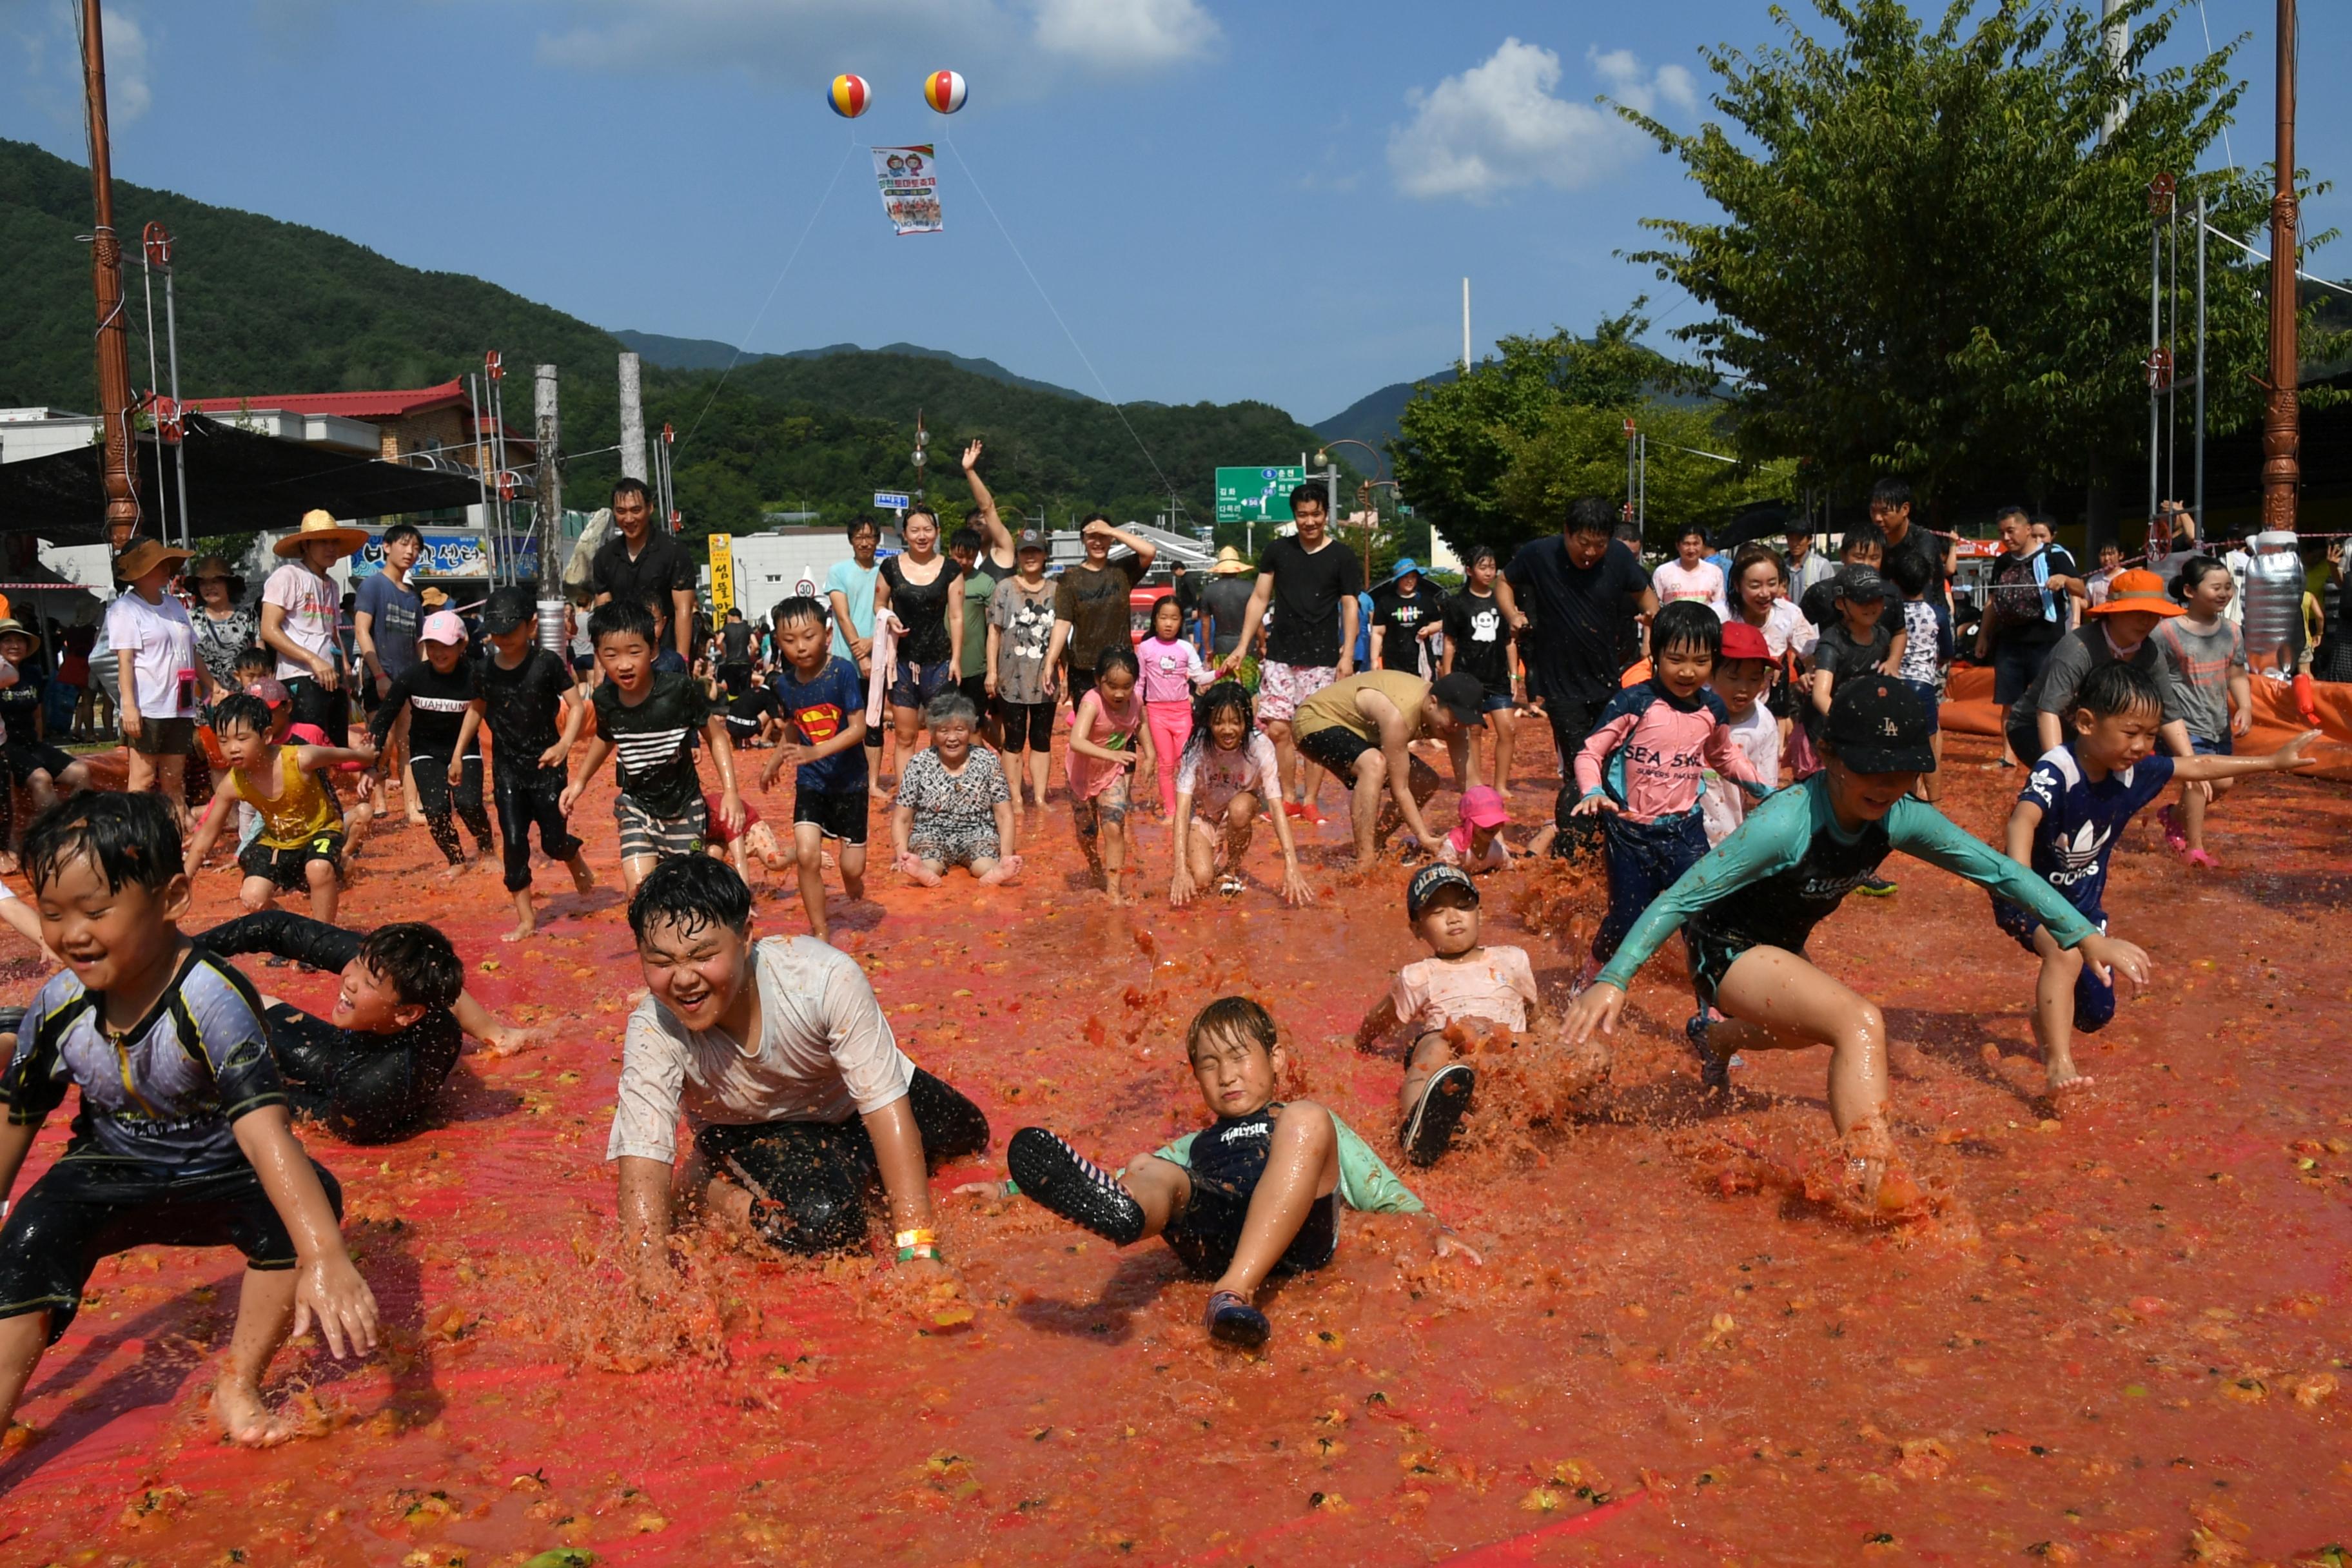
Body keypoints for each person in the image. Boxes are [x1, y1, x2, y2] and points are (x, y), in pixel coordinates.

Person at [1561, 678, 2148, 1207]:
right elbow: (1681, 899)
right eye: (1871, 769)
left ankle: (1712, 1038)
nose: (1887, 786)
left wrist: (2080, 934)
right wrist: (1614, 978)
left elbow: (2000, 871)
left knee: (1798, 1035)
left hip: (1783, 950)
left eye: (1903, 772)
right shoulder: (1786, 822)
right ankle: (1873, 1178)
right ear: (1831, 756)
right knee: (1859, 1022)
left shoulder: (1902, 815)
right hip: (1725, 944)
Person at [0, 792, 377, 1446]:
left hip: (218, 1168)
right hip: (106, 1169)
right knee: (28, 1243)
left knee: (307, 1201)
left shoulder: (212, 998)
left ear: (173, 897)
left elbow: (265, 1134)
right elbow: (17, 1113)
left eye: (96, 909)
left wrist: (325, 1252)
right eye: (53, 912)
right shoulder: (59, 1002)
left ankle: (239, 1386)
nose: (72, 934)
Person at [1002, 996, 1474, 1349]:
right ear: (1196, 1077)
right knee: (1150, 1166)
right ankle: (1124, 1216)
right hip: (1216, 1233)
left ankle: (1233, 1291)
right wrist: (1014, 1186)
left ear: (1276, 1061)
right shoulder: (1194, 1145)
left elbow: (1383, 1190)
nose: (1226, 1075)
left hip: (1296, 1238)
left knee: (1309, 1117)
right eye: (1210, 1065)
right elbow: (1119, 1172)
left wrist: (1436, 1228)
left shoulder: (1297, 1120)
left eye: (1238, 1057)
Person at [609, 854, 989, 1270]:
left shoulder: (822, 979)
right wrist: (651, 1279)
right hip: (747, 1129)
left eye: (702, 955)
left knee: (968, 1132)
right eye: (662, 962)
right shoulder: (654, 1028)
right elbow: (643, 1156)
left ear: (746, 936)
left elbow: (883, 1103)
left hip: (846, 1107)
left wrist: (917, 1247)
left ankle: (845, 1168)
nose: (683, 979)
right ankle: (705, 1188)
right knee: (826, 1227)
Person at [1994, 662, 2317, 1099]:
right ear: (2087, 723)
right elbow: (2022, 820)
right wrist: (2021, 880)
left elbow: (2198, 764)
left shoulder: (2134, 772)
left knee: (2096, 1014)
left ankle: (2046, 1019)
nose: (2142, 745)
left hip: (2084, 908)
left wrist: (2274, 762)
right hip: (2024, 894)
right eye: (2131, 732)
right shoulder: (2059, 769)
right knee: (2066, 953)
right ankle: (2058, 1065)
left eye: (2150, 734)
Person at [192, 910, 529, 1141]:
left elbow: (305, 1113)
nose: (350, 981)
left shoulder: (369, 1091)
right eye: (357, 962)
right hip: (364, 1043)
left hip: (359, 1086)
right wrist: (185, 954)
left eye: (369, 983)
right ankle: (497, 1033)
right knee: (234, 1000)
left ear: (407, 1014)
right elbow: (278, 929)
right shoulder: (386, 969)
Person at [1572, 602, 1770, 988]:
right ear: (1655, 654)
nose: (1686, 671)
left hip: (1685, 833)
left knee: (1701, 918)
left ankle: (1710, 1008)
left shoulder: (1713, 708)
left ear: (1713, 662)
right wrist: (1592, 789)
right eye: (1675, 658)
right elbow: (1590, 752)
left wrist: (1765, 790)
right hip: (1630, 832)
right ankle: (1593, 976)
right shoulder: (1633, 702)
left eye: (1699, 661)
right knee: (1626, 918)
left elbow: (1725, 755)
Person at [1353, 865, 1556, 1165]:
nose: (1453, 917)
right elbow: (1381, 1016)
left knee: (1590, 1056)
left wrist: (1562, 1047)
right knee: (1434, 1045)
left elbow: (1536, 1017)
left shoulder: (1512, 958)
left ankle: (1547, 1105)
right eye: (1437, 911)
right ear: (1417, 929)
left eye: (1463, 906)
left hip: (1508, 1052)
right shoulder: (1420, 974)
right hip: (1450, 1058)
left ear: (1480, 913)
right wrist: (1359, 1040)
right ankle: (1418, 1127)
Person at [1496, 497, 1658, 838]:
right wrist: (1513, 615)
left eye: (1599, 544)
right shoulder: (1539, 553)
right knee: (1580, 763)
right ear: (1566, 533)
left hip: (1607, 679)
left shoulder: (1617, 557)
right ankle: (1576, 837)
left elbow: (1648, 597)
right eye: (1583, 543)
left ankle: (1612, 830)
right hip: (1561, 685)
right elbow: (1504, 581)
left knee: (1616, 761)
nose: (1590, 553)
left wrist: (1651, 622)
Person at [564, 599, 744, 894]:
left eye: (634, 652)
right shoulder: (606, 699)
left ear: (652, 649)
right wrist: (579, 782)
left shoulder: (678, 690)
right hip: (637, 806)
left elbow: (717, 737)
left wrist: (731, 793)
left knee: (686, 894)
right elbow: (605, 739)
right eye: (611, 655)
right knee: (640, 893)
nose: (624, 664)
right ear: (598, 655)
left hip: (684, 807)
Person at [1215, 486, 1363, 819]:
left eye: (1316, 514)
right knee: (1279, 729)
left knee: (1315, 732)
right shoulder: (1277, 551)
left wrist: (1347, 655)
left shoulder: (1342, 556)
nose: (1309, 522)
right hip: (1281, 654)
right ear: (1294, 515)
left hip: (1323, 658)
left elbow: (1350, 606)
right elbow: (1258, 598)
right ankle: (1288, 797)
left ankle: (1310, 799)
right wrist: (1243, 646)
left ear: (1326, 514)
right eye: (1302, 515)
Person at [183, 693, 375, 923]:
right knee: (252, 897)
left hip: (321, 829)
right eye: (224, 741)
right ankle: (296, 930)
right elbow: (208, 833)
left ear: (266, 736)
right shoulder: (232, 783)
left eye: (242, 739)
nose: (233, 748)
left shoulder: (299, 758)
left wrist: (364, 756)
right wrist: (185, 877)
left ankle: (323, 935)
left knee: (318, 868)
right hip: (277, 840)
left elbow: (338, 755)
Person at [474, 587, 595, 943]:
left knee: (553, 842)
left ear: (532, 626)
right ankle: (527, 919)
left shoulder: (547, 663)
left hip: (547, 766)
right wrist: (457, 752)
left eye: (510, 631)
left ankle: (573, 858)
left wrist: (564, 744)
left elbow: (575, 707)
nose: (503, 639)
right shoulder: (483, 669)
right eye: (496, 633)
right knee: (513, 841)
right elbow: (476, 710)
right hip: (507, 769)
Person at [1289, 668, 1482, 871]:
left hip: (1360, 731)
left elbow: (1472, 785)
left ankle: (1375, 843)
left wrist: (1495, 837)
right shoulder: (1399, 714)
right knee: (1374, 764)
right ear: (1433, 702)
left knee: (1425, 780)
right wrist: (1424, 837)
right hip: (1313, 720)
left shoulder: (1455, 726)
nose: (1456, 728)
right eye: (1454, 719)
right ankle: (1364, 861)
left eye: (1464, 721)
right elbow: (1400, 789)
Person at [2004, 569, 2197, 774]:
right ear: (2114, 613)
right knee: (2074, 783)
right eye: (2137, 612)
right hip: (2032, 725)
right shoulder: (2079, 647)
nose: (2146, 621)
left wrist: (2192, 764)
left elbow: (2169, 712)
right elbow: (2048, 710)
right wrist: (2059, 770)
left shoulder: (2149, 653)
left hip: (2090, 732)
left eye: (2153, 614)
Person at [368, 609, 494, 876]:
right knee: (436, 810)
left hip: (465, 748)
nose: (438, 653)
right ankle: (456, 860)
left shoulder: (475, 675)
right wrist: (371, 760)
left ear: (462, 644)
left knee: (469, 803)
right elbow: (384, 717)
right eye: (432, 646)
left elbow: (492, 716)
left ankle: (487, 849)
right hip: (425, 750)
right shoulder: (412, 677)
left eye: (446, 646)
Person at [1167, 680, 1311, 907]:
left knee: (1240, 808)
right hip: (1205, 815)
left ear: (1246, 721)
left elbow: (1276, 807)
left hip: (1242, 807)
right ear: (1208, 722)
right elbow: (1182, 810)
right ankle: (1210, 862)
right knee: (1203, 881)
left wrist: (1292, 867)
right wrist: (1180, 871)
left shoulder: (1260, 746)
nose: (1228, 730)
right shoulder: (1196, 747)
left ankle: (1232, 868)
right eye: (1219, 723)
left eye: (1235, 722)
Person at [2150, 556, 2253, 867]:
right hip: (2181, 723)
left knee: (2223, 783)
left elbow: (2236, 673)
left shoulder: (2233, 632)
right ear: (2190, 591)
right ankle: (2195, 847)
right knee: (2198, 781)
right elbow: (2150, 676)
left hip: (2217, 722)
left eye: (2228, 587)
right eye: (2216, 588)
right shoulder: (2166, 632)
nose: (2224, 594)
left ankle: (2173, 816)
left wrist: (2245, 706)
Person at [106, 538, 211, 816]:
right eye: (158, 564)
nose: (166, 569)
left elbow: (192, 650)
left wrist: (214, 686)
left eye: (166, 564)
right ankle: (135, 836)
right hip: (149, 705)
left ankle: (178, 838)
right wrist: (129, 706)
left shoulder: (175, 605)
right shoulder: (124, 609)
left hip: (181, 704)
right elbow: (125, 661)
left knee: (174, 781)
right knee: (141, 779)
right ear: (139, 573)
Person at [1975, 506, 2081, 764]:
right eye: (2002, 533)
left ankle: (2060, 753)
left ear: (2027, 529)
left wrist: (2064, 580)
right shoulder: (2002, 562)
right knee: (2008, 702)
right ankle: (2008, 756)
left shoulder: (2054, 556)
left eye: (2010, 531)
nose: (2006, 538)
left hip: (2045, 640)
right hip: (2010, 641)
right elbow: (1992, 601)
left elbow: (2081, 589)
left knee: (2054, 698)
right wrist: (1983, 635)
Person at [872, 502, 963, 802]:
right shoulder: (890, 567)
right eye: (915, 530)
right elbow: (879, 605)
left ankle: (943, 793)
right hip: (902, 660)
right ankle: (908, 798)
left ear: (937, 533)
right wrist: (889, 618)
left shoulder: (951, 569)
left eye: (927, 530)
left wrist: (957, 660)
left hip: (939, 660)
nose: (921, 536)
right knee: (905, 736)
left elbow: (956, 617)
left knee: (943, 733)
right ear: (905, 534)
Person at [260, 510, 369, 747]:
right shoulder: (288, 575)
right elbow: (268, 629)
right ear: (306, 545)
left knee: (335, 749)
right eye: (323, 541)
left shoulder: (331, 585)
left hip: (333, 679)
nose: (331, 548)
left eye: (334, 542)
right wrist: (313, 660)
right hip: (300, 677)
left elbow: (332, 632)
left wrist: (344, 670)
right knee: (306, 751)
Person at [891, 690, 1018, 886]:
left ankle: (995, 872)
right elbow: (902, 817)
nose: (952, 738)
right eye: (944, 731)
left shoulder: (988, 761)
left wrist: (1006, 854)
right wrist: (902, 855)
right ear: (933, 733)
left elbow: (1004, 814)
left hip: (978, 831)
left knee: (983, 863)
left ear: (970, 730)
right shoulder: (918, 763)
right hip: (930, 832)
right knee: (930, 862)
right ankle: (922, 872)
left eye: (960, 730)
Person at [1066, 645, 1153, 905]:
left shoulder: (1135, 701)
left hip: (1111, 774)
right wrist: (1113, 755)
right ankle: (1095, 866)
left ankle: (1114, 891)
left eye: (1126, 686)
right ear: (1098, 680)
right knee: (1087, 833)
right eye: (1112, 685)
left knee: (1114, 827)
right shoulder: (1091, 703)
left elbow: (1142, 724)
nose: (1119, 693)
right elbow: (1076, 741)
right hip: (1080, 774)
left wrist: (1150, 754)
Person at [1046, 513, 1157, 712]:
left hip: (1121, 665)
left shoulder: (1123, 571)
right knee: (1089, 728)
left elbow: (1149, 551)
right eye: (1092, 537)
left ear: (1111, 539)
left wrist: (1111, 530)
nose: (1098, 542)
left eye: (1103, 537)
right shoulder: (1070, 579)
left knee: (1123, 728)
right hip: (1083, 668)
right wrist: (1050, 662)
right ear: (1083, 540)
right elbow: (1062, 623)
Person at [352, 523, 424, 823]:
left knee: (408, 741)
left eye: (416, 548)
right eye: (405, 545)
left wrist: (424, 677)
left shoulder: (412, 596)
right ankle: (377, 803)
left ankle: (411, 807)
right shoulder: (372, 586)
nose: (410, 552)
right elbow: (361, 630)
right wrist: (379, 675)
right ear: (386, 546)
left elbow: (420, 642)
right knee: (379, 741)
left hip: (408, 677)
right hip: (379, 676)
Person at [985, 528, 1059, 812]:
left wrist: (1061, 671)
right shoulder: (1005, 588)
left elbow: (1062, 636)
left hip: (1045, 679)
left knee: (1041, 739)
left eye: (1036, 551)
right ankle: (1014, 797)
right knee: (1013, 740)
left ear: (1044, 555)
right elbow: (994, 632)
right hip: (1010, 676)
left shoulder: (1056, 590)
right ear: (1018, 556)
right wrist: (992, 672)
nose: (1031, 557)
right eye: (1025, 552)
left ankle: (1040, 797)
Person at [591, 477, 697, 672]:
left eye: (636, 510)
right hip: (622, 660)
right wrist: (600, 667)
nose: (629, 519)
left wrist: (683, 662)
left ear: (650, 508)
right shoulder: (604, 557)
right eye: (621, 512)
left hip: (665, 655)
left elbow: (684, 610)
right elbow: (603, 617)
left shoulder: (673, 551)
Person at [1440, 545, 1522, 796]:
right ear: (1469, 570)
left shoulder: (1502, 602)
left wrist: (1514, 675)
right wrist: (1448, 675)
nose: (1489, 572)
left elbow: (1510, 642)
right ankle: (1474, 783)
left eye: (1492, 567)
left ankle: (1500, 784)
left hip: (1497, 677)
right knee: (1473, 732)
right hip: (1468, 677)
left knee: (1508, 729)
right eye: (1482, 567)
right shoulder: (1457, 603)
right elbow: (1449, 642)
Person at [1700, 620, 1781, 847]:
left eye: (1754, 679)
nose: (1743, 688)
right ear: (1709, 674)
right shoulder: (1692, 713)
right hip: (1685, 836)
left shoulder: (1763, 724)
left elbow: (1764, 795)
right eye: (1733, 678)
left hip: (1733, 839)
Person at [0, 620, 90, 823]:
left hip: (31, 743)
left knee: (81, 772)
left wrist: (40, 745)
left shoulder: (32, 672)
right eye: (8, 641)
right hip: (6, 747)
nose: (15, 645)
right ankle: (53, 832)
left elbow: (38, 714)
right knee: (42, 779)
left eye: (19, 641)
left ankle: (79, 825)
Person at [1136, 595, 1213, 818]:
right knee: (1166, 764)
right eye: (1163, 618)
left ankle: (1190, 808)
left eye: (1174, 618)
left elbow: (1199, 677)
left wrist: (1219, 673)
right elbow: (1140, 683)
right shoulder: (1145, 648)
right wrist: (1134, 711)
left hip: (1182, 712)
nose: (1168, 623)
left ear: (1181, 622)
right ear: (1155, 620)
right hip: (1156, 713)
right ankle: (1172, 812)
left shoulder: (1185, 648)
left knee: (1186, 761)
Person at [1886, 548, 1952, 803]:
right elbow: (1947, 651)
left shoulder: (1889, 613)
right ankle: (1934, 802)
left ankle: (1900, 798)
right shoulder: (1937, 614)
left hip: (1895, 685)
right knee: (1928, 749)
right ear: (1928, 581)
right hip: (1923, 686)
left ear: (1893, 583)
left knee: (1896, 746)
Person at [825, 516, 886, 788]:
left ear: (878, 540)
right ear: (851, 540)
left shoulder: (886, 571)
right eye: (859, 537)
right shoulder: (838, 571)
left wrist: (873, 642)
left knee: (873, 723)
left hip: (878, 656)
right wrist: (860, 654)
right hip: (844, 660)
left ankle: (872, 783)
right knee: (841, 722)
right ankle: (842, 778)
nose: (865, 543)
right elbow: (842, 616)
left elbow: (889, 612)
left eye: (870, 537)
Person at [188, 555, 257, 699]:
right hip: (204, 698)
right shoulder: (189, 618)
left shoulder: (247, 615)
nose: (209, 588)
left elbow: (259, 656)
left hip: (244, 697)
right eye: (203, 583)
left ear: (228, 585)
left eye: (215, 582)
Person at [1368, 558, 1438, 674]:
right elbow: (1378, 633)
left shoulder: (1426, 600)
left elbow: (1438, 623)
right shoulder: (1386, 602)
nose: (1410, 581)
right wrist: (1374, 660)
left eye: (1413, 577)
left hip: (1421, 659)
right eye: (1405, 577)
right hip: (1393, 662)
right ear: (1398, 580)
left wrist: (1429, 629)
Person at [1198, 546, 1259, 669]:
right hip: (1247, 648)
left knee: (1223, 686)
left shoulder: (1209, 591)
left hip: (1221, 648)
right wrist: (1262, 644)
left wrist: (1208, 649)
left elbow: (1205, 624)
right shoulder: (1250, 588)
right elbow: (1257, 621)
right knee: (1248, 687)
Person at [1652, 524, 1729, 616]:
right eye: (1687, 544)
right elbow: (1654, 607)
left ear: (1703, 545)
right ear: (1678, 546)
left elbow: (1720, 608)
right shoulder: (1663, 572)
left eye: (1696, 544)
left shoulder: (1715, 572)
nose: (1691, 549)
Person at [1446, 785, 1516, 872]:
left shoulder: (1497, 850)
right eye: (1486, 821)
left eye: (1496, 821)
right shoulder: (1453, 847)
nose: (1492, 826)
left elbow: (1509, 872)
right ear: (1468, 823)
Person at [1783, 523, 1836, 600]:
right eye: (1791, 539)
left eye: (1799, 539)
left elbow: (1829, 595)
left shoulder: (1821, 565)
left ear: (1810, 540)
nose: (1795, 544)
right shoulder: (1783, 566)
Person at [715, 607, 756, 698]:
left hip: (731, 662)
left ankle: (734, 709)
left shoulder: (726, 628)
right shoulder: (747, 628)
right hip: (745, 662)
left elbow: (718, 642)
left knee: (733, 693)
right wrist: (750, 656)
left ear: (730, 617)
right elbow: (756, 645)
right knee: (746, 692)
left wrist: (724, 653)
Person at [2084, 540, 2125, 609]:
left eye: (2110, 554)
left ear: (2121, 556)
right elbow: (2087, 604)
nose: (2106, 558)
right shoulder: (2093, 581)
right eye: (2103, 555)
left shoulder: (2128, 577)